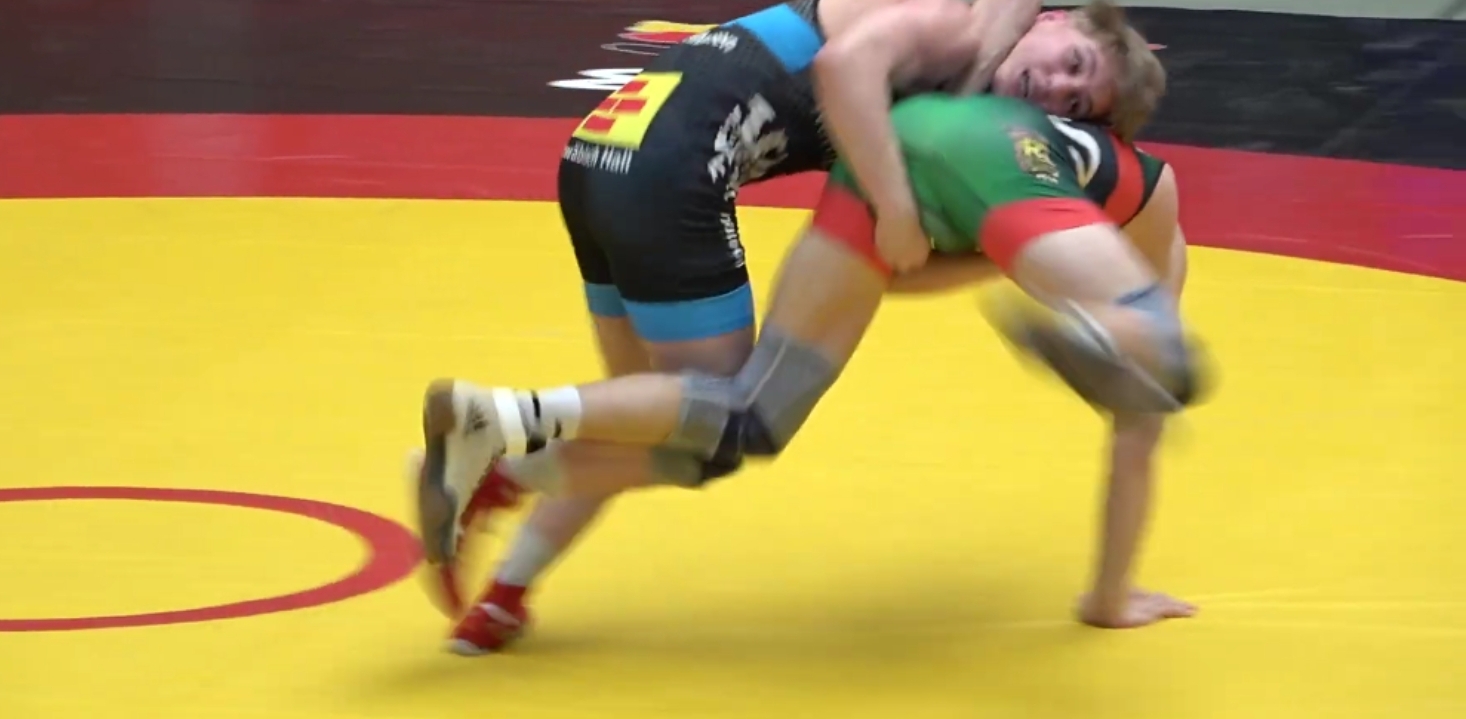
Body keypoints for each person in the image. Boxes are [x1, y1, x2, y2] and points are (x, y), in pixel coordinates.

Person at [414, 93, 1206, 655]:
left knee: (738, 422)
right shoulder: (1139, 182)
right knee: (1166, 359)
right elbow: (1137, 436)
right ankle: (504, 423)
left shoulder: (1000, 105)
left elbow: (898, 272)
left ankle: (507, 504)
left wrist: (944, 234)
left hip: (885, 158)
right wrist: (1109, 596)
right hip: (945, 177)